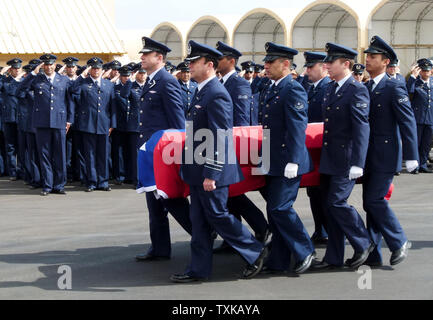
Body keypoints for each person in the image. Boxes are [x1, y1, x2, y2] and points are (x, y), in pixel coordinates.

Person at [171, 40, 268, 283]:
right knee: (199, 220)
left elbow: (220, 136)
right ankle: (198, 269)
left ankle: (255, 250)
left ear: (210, 65)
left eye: (194, 62)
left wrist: (212, 173)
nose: (189, 65)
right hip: (197, 170)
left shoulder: (216, 94)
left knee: (218, 215)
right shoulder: (202, 90)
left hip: (211, 172)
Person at [311, 43, 373, 271]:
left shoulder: (357, 90)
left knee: (337, 202)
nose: (326, 65)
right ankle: (333, 257)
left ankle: (364, 242)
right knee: (329, 207)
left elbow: (361, 128)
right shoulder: (331, 88)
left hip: (346, 160)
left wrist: (358, 162)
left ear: (345, 64)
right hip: (330, 158)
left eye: (331, 62)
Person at [360, 35, 419, 267]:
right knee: (368, 203)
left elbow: (407, 121)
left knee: (375, 200)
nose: (367, 60)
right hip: (367, 155)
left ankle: (398, 241)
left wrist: (412, 155)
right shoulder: (365, 86)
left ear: (385, 62)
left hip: (386, 155)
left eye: (373, 57)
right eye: (367, 57)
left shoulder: (394, 87)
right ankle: (374, 254)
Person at [257, 42, 315, 274]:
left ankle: (305, 249)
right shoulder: (272, 88)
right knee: (273, 211)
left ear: (286, 64)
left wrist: (293, 159)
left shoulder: (293, 89)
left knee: (281, 208)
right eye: (266, 61)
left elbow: (297, 127)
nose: (266, 65)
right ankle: (279, 260)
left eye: (271, 62)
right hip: (274, 159)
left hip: (288, 160)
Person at [134, 37, 192, 262]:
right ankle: (159, 248)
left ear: (159, 58)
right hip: (151, 154)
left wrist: (175, 155)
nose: (142, 58)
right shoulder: (151, 81)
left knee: (172, 202)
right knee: (155, 203)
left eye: (146, 55)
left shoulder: (167, 81)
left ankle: (202, 236)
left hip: (164, 155)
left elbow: (177, 123)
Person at [213, 41, 269, 254]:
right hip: (225, 145)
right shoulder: (224, 83)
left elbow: (242, 121)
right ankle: (233, 237)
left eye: (220, 58)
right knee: (229, 195)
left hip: (236, 146)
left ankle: (261, 227)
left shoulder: (239, 84)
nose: (216, 61)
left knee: (234, 193)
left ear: (231, 61)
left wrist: (238, 150)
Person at [18, 54, 74, 196]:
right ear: (42, 66)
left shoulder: (64, 80)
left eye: (51, 64)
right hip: (42, 122)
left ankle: (59, 185)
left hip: (59, 121)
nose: (48, 67)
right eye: (46, 65)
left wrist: (69, 120)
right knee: (44, 155)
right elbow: (19, 90)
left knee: (60, 154)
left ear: (55, 65)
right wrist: (32, 73)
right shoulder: (36, 79)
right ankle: (48, 185)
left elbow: (70, 100)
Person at [72, 57, 116, 192]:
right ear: (90, 70)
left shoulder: (109, 85)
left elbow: (112, 106)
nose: (96, 70)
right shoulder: (83, 84)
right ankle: (91, 181)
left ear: (102, 70)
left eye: (98, 68)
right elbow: (73, 90)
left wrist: (112, 124)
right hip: (88, 124)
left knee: (103, 154)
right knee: (89, 155)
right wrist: (81, 75)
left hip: (104, 124)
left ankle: (103, 181)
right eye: (93, 68)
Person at [303, 51, 332, 246]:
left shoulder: (328, 88)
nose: (306, 71)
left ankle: (331, 231)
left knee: (326, 194)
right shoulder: (310, 88)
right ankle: (320, 229)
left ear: (323, 67)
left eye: (310, 67)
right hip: (312, 150)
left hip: (325, 149)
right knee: (314, 193)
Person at [407, 58, 433, 174]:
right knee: (416, 143)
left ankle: (423, 164)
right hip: (418, 118)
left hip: (430, 118)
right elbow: (409, 91)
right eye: (423, 71)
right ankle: (415, 165)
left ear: (431, 71)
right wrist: (413, 76)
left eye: (428, 71)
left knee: (426, 144)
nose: (426, 73)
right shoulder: (416, 83)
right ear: (420, 71)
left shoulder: (432, 83)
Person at [1, 58, 24, 181]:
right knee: (10, 147)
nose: (16, 70)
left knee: (22, 146)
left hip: (21, 118)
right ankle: (13, 172)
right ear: (10, 70)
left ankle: (22, 170)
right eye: (14, 68)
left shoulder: (24, 81)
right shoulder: (5, 81)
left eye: (18, 68)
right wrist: (1, 74)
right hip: (9, 118)